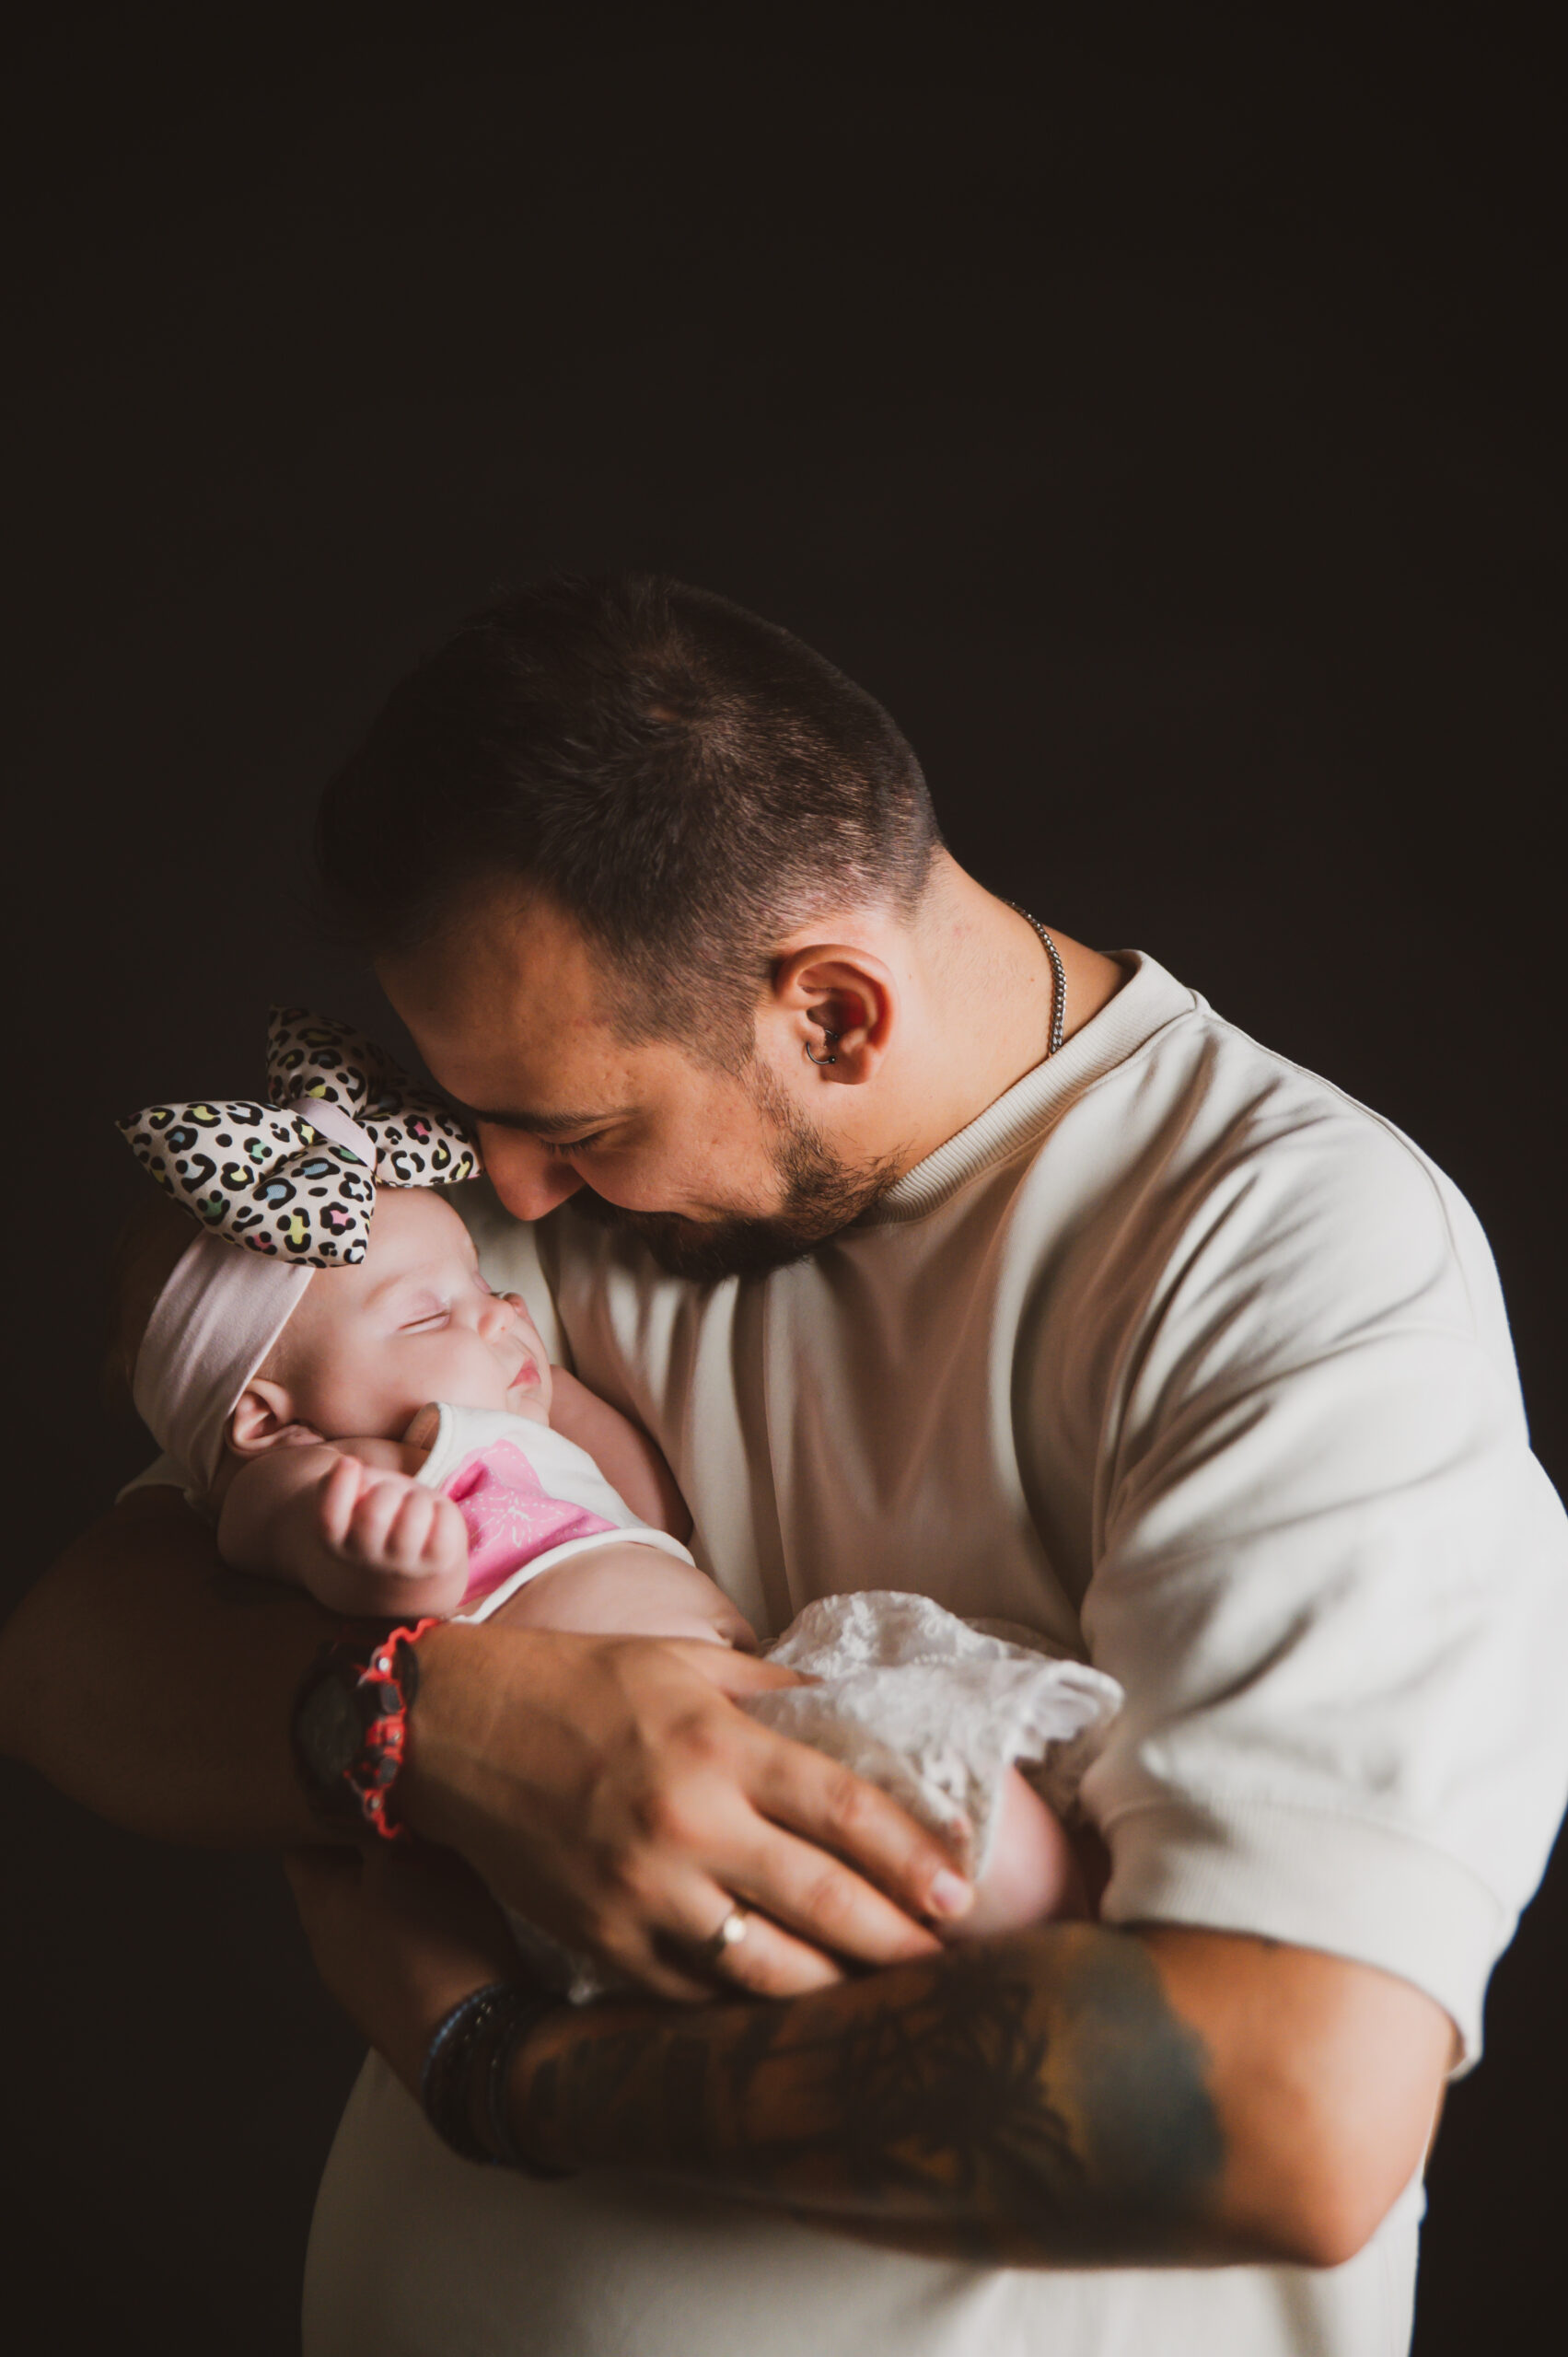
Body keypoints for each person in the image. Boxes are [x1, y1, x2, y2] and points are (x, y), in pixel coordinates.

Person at [5, 573, 1567, 2357]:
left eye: (574, 1129)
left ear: (830, 1013)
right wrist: (432, 1724)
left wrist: (506, 2072)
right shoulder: (539, 1216)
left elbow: (1289, 2105)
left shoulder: (1284, 1254)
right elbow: (75, 1655)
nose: (506, 1193)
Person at [113, 1028, 1108, 1935]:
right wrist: (381, 1563)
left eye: (483, 1284)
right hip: (621, 1776)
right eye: (427, 1316)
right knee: (965, 1873)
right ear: (266, 1419)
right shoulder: (328, 1475)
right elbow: (305, 1543)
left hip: (755, 1678)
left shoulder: (506, 1420)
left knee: (1007, 1819)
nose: (499, 1312)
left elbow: (650, 1504)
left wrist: (546, 1390)